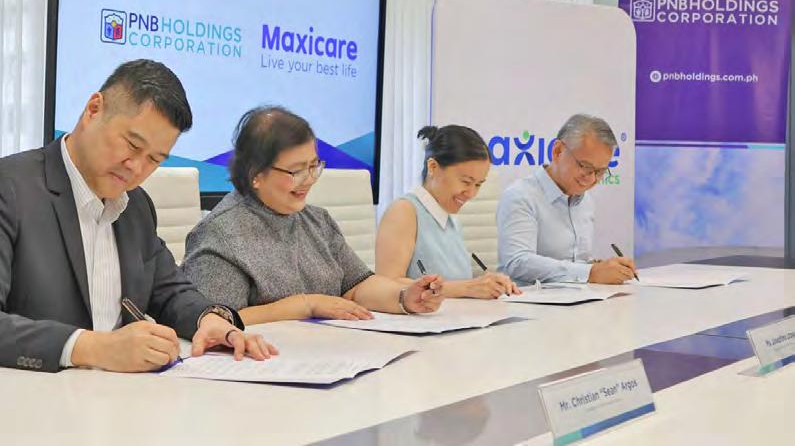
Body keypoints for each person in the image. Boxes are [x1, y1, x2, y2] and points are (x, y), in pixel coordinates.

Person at [0, 59, 276, 374]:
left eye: (154, 159)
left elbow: (169, 291)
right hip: (13, 397)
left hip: (106, 397)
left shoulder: (136, 205)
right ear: (93, 109)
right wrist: (94, 348)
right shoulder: (2, 188)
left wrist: (208, 319)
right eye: (132, 145)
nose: (137, 168)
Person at [181, 106, 445, 325]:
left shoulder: (317, 221)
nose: (309, 180)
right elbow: (216, 320)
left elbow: (357, 285)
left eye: (313, 166)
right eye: (296, 171)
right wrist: (306, 305)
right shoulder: (219, 235)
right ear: (256, 175)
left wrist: (404, 297)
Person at [375, 125, 520, 299]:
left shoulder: (450, 217)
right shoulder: (403, 212)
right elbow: (386, 285)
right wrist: (467, 288)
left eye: (478, 184)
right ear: (433, 167)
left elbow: (455, 283)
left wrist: (489, 285)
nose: (471, 193)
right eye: (465, 182)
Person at [496, 113, 636, 285]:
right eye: (585, 166)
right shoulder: (521, 196)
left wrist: (602, 267)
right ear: (558, 151)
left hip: (578, 297)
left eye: (600, 172)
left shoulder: (585, 201)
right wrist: (589, 273)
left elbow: (576, 262)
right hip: (530, 299)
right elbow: (518, 262)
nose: (591, 179)